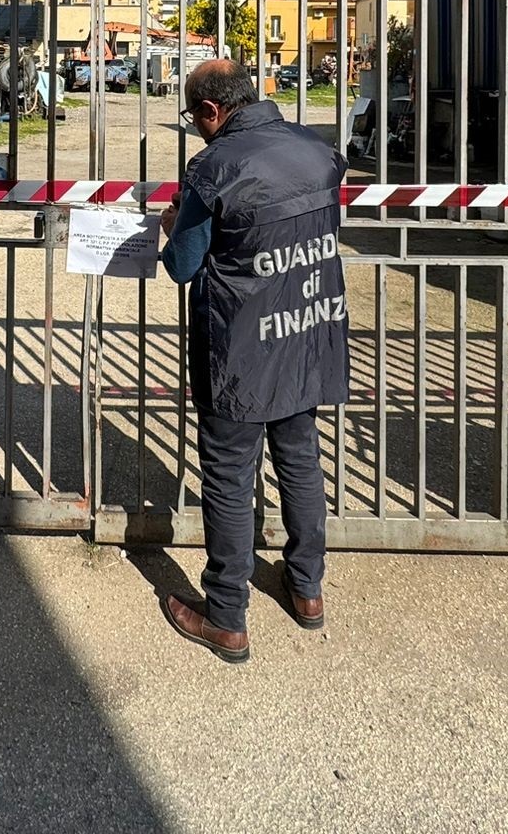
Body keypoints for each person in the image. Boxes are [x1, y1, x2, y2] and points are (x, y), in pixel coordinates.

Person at [156, 58, 349, 664]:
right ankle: (307, 588)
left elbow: (183, 266)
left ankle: (226, 616)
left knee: (231, 474)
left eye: (195, 118)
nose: (197, 128)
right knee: (299, 457)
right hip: (305, 328)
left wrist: (173, 224)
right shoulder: (314, 147)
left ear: (212, 111)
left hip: (240, 344)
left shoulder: (213, 167)